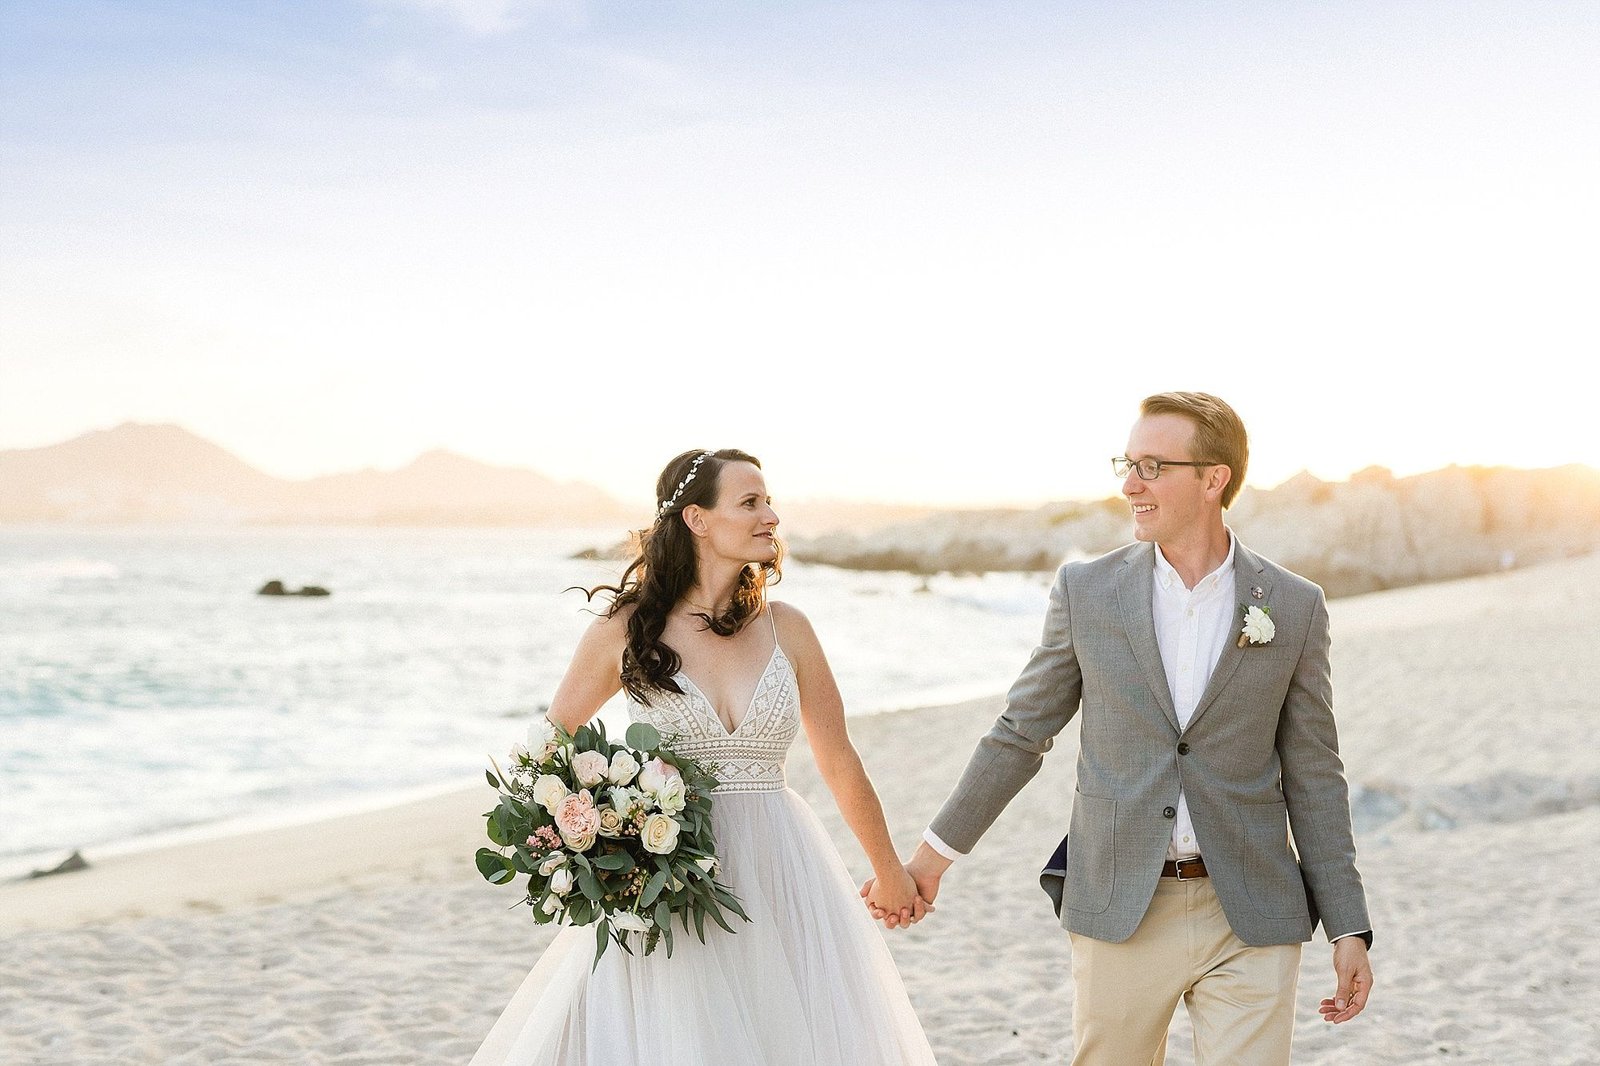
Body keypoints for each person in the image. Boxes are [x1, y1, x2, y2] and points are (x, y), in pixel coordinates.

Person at [868, 392, 1374, 1065]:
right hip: (1121, 905)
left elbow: (1314, 772)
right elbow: (1021, 733)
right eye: (1127, 464)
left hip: (1252, 912)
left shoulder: (1292, 605)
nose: (1130, 484)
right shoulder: (1088, 592)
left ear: (1213, 477)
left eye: (1153, 466)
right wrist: (930, 861)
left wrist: (1348, 925)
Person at [469, 448, 937, 1066]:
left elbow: (838, 756)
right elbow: (546, 751)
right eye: (750, 503)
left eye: (769, 501)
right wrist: (603, 832)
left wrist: (889, 868)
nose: (770, 516)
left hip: (781, 868)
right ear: (696, 519)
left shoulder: (788, 628)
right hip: (673, 877)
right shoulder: (625, 631)